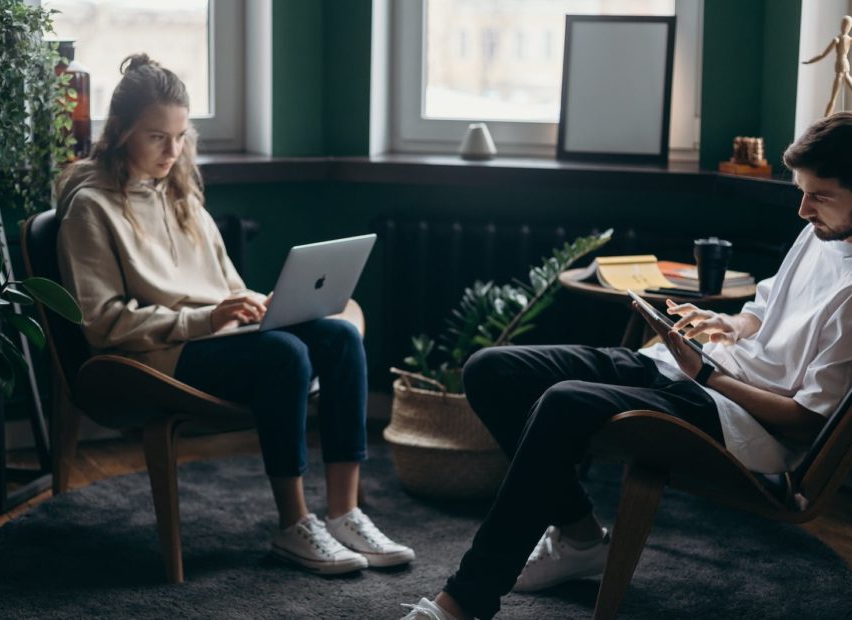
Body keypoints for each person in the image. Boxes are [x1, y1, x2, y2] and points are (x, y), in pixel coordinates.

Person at [400, 113, 852, 619]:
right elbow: (765, 310)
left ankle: (464, 601)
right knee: (492, 370)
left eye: (820, 196)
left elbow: (804, 420)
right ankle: (581, 536)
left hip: (736, 419)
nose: (802, 209)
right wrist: (724, 324)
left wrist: (707, 376)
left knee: (566, 402)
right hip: (694, 371)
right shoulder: (820, 235)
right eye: (801, 192)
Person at [55, 54, 414, 576]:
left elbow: (224, 287)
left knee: (338, 337)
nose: (173, 151)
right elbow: (104, 323)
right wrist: (206, 320)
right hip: (156, 357)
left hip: (213, 338)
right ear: (122, 132)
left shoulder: (183, 197)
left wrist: (259, 304)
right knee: (284, 354)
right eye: (157, 137)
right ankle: (294, 525)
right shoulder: (90, 209)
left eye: (180, 136)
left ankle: (345, 513)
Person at [802, 14, 852, 116]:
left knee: (834, 96)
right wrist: (809, 61)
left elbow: (823, 55)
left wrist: (809, 61)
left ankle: (825, 118)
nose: (844, 27)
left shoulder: (838, 39)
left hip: (840, 65)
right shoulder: (848, 39)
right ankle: (825, 119)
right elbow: (822, 55)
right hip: (845, 64)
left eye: (846, 25)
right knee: (838, 91)